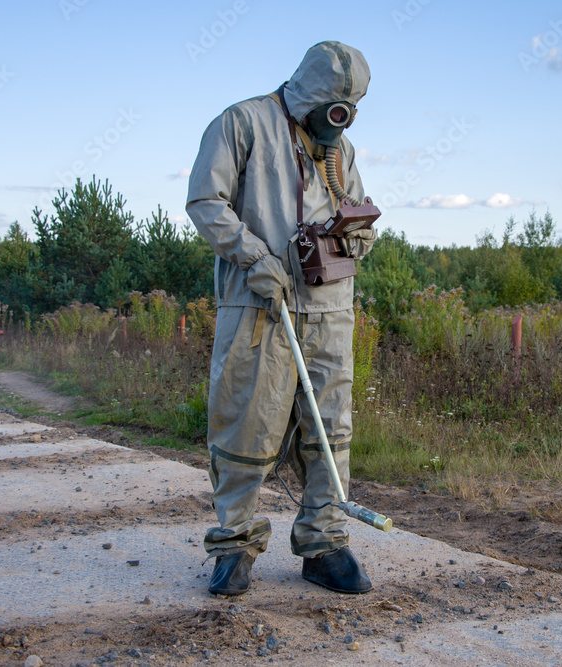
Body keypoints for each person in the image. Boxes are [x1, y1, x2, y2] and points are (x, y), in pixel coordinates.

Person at [186, 41, 378, 596]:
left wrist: (357, 235)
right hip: (259, 304)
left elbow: (352, 208)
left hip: (328, 307)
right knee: (247, 423)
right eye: (332, 107)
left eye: (349, 109)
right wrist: (252, 256)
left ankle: (325, 543)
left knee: (331, 430)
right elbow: (205, 201)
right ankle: (234, 545)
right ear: (310, 93)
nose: (338, 120)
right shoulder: (241, 123)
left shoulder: (340, 150)